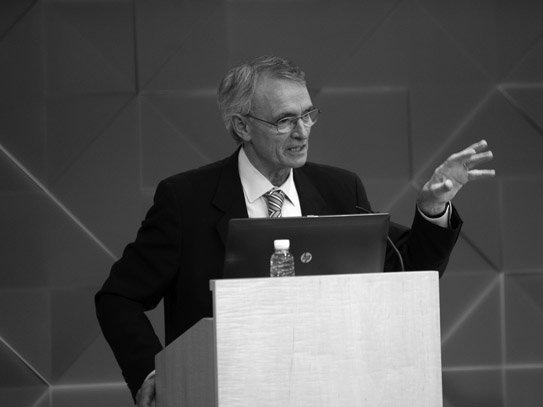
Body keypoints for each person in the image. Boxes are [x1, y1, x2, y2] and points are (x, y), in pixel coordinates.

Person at [95, 56, 494, 406]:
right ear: (242, 126)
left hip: (329, 389)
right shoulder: (186, 200)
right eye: (285, 120)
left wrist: (432, 208)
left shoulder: (339, 189)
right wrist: (152, 373)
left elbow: (409, 270)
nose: (302, 131)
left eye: (308, 115)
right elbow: (118, 297)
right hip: (221, 392)